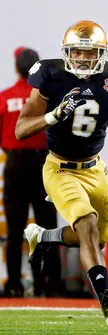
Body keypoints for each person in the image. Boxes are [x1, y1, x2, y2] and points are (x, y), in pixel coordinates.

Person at [15, 20, 108, 331]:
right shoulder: (50, 76)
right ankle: (105, 294)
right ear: (66, 53)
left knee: (96, 239)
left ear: (102, 54)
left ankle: (43, 236)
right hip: (60, 168)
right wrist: (53, 115)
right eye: (76, 53)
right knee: (88, 226)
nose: (81, 59)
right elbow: (21, 128)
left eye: (88, 53)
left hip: (95, 168)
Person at [0, 47, 62, 297]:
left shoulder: (4, 98)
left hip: (14, 165)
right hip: (44, 165)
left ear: (16, 68)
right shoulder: (47, 97)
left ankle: (13, 284)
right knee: (47, 228)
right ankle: (48, 284)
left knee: (15, 230)